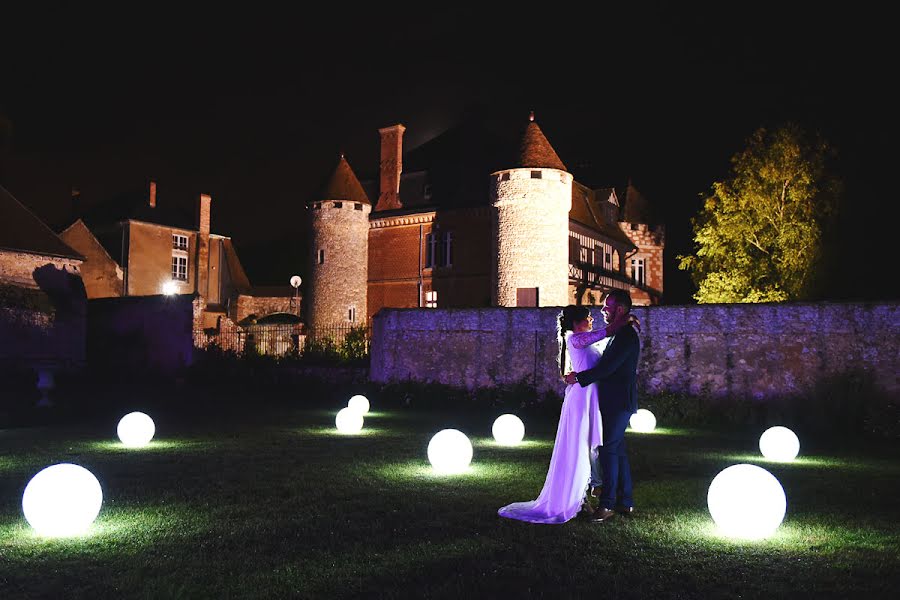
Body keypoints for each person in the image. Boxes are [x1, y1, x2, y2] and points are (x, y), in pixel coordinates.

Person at [498, 304, 632, 524]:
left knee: (593, 445)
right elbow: (606, 332)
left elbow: (607, 344)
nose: (591, 320)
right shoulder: (574, 338)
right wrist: (626, 319)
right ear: (576, 322)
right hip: (582, 398)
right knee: (580, 444)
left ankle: (592, 489)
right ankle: (579, 494)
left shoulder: (586, 339)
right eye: (587, 317)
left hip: (592, 395)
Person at [565, 289, 640, 523]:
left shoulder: (626, 335)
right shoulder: (620, 333)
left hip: (618, 402)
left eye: (607, 307)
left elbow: (607, 369)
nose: (603, 311)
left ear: (618, 309)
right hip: (614, 401)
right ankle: (624, 502)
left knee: (608, 449)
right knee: (616, 450)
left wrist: (578, 378)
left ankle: (607, 505)